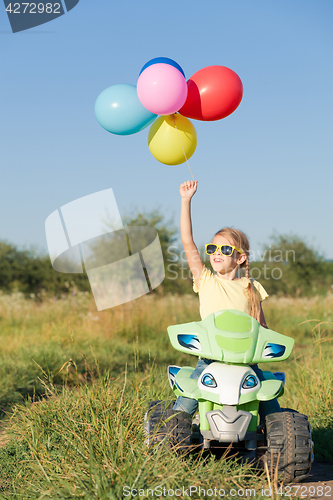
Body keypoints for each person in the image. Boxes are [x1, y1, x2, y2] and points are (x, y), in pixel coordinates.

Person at [173, 180, 281, 422]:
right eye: (213, 248)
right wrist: (185, 200)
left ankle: (280, 438)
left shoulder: (251, 288)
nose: (217, 253)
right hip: (210, 361)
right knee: (186, 402)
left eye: (225, 249)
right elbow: (187, 241)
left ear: (241, 258)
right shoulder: (206, 280)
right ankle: (168, 440)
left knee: (272, 409)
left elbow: (262, 328)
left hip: (246, 364)